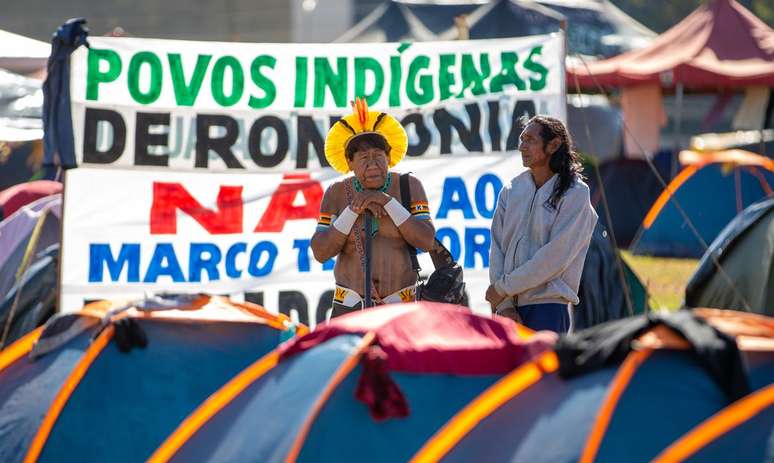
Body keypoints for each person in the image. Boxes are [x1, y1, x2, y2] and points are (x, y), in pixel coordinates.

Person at [311, 98, 435, 317]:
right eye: (363, 157)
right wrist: (353, 210)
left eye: (378, 155)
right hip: (349, 309)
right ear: (349, 163)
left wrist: (387, 201)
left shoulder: (409, 186)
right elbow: (321, 252)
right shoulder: (336, 193)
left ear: (389, 157)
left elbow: (426, 240)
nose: (373, 164)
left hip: (401, 309)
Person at [486, 115, 597, 333]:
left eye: (530, 140)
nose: (522, 147)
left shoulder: (576, 193)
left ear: (554, 145)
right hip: (507, 310)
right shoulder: (511, 190)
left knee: (543, 368)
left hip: (548, 308)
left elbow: (554, 258)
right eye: (521, 139)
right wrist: (505, 304)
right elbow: (497, 247)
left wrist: (502, 288)